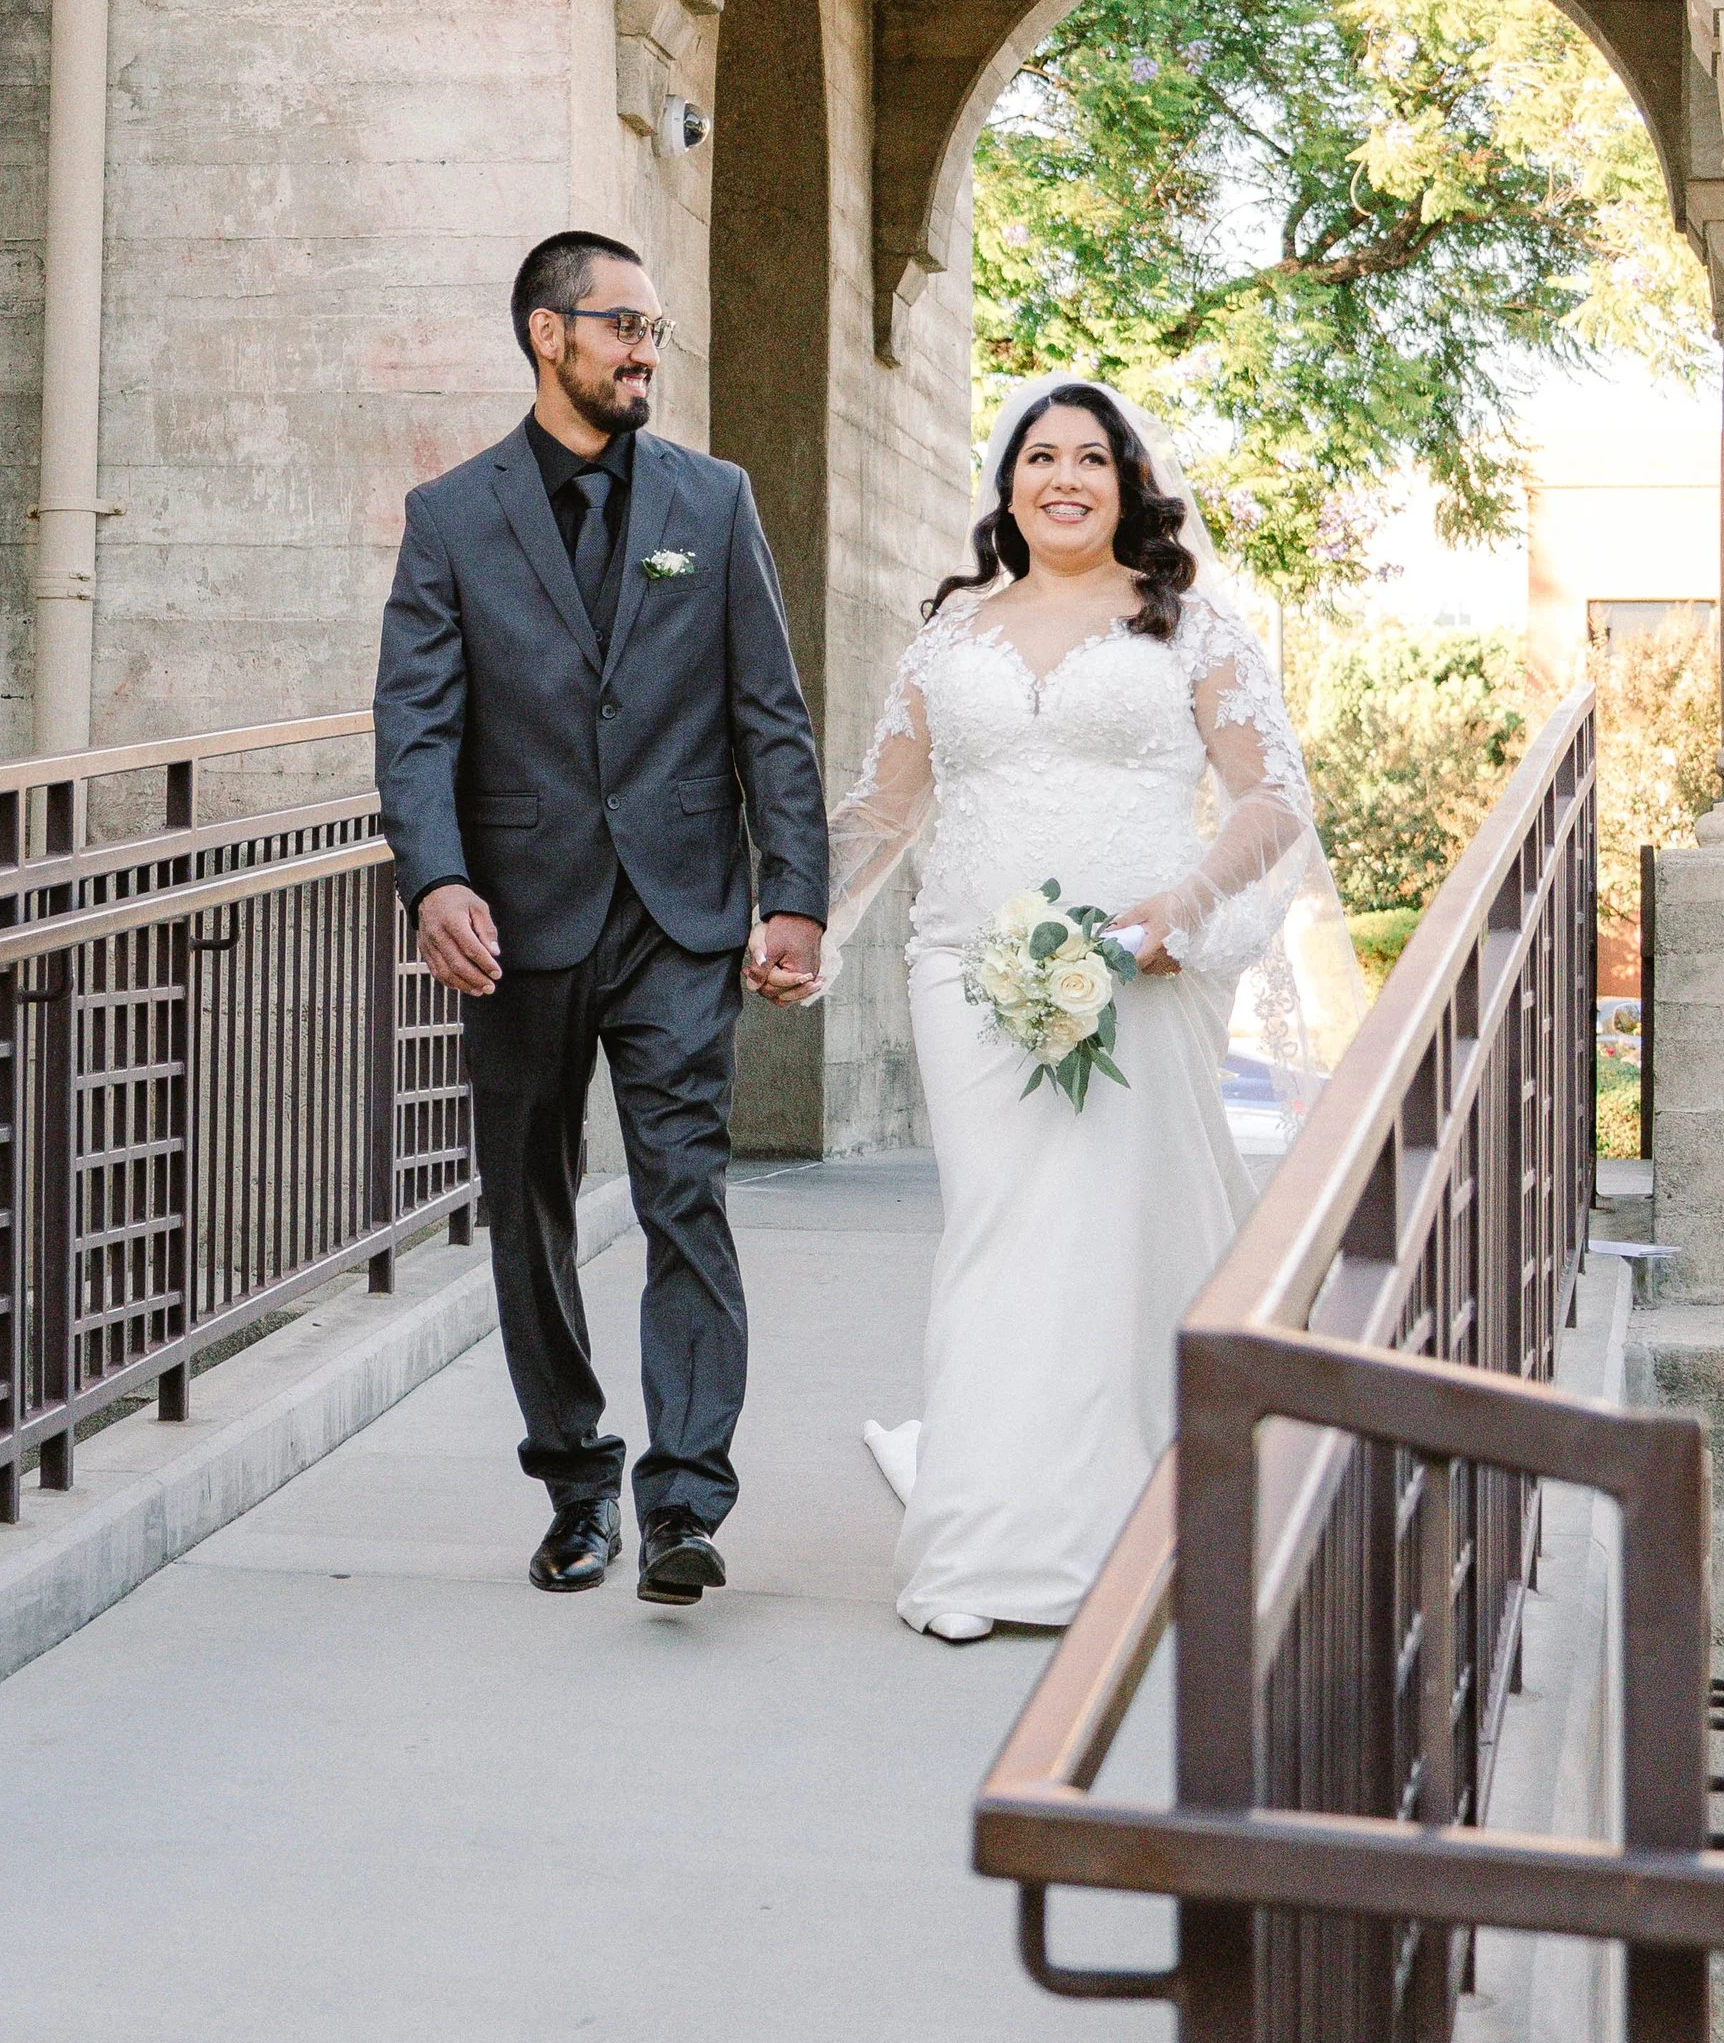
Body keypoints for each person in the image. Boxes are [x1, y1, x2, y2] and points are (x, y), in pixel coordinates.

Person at [820, 377, 1345, 1644]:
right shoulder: (947, 640)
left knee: (1118, 1232)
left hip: (1140, 972)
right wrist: (801, 922)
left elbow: (1271, 800)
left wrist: (1185, 901)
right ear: (1005, 486)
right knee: (1003, 1233)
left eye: (1090, 460)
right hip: (965, 972)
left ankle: (1145, 1511)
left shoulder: (1190, 628)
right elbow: (886, 813)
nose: (1064, 478)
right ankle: (986, 1548)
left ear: (1127, 486)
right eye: (1039, 457)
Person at [375, 230, 829, 1606]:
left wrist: (793, 892)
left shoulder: (714, 498)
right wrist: (436, 876)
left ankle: (686, 1498)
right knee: (526, 1205)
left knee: (685, 1187)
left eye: (654, 329)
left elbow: (771, 712)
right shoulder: (452, 515)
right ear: (546, 331)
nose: (643, 348)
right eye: (621, 324)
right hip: (516, 917)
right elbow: (416, 719)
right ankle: (576, 1482)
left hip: (677, 911)